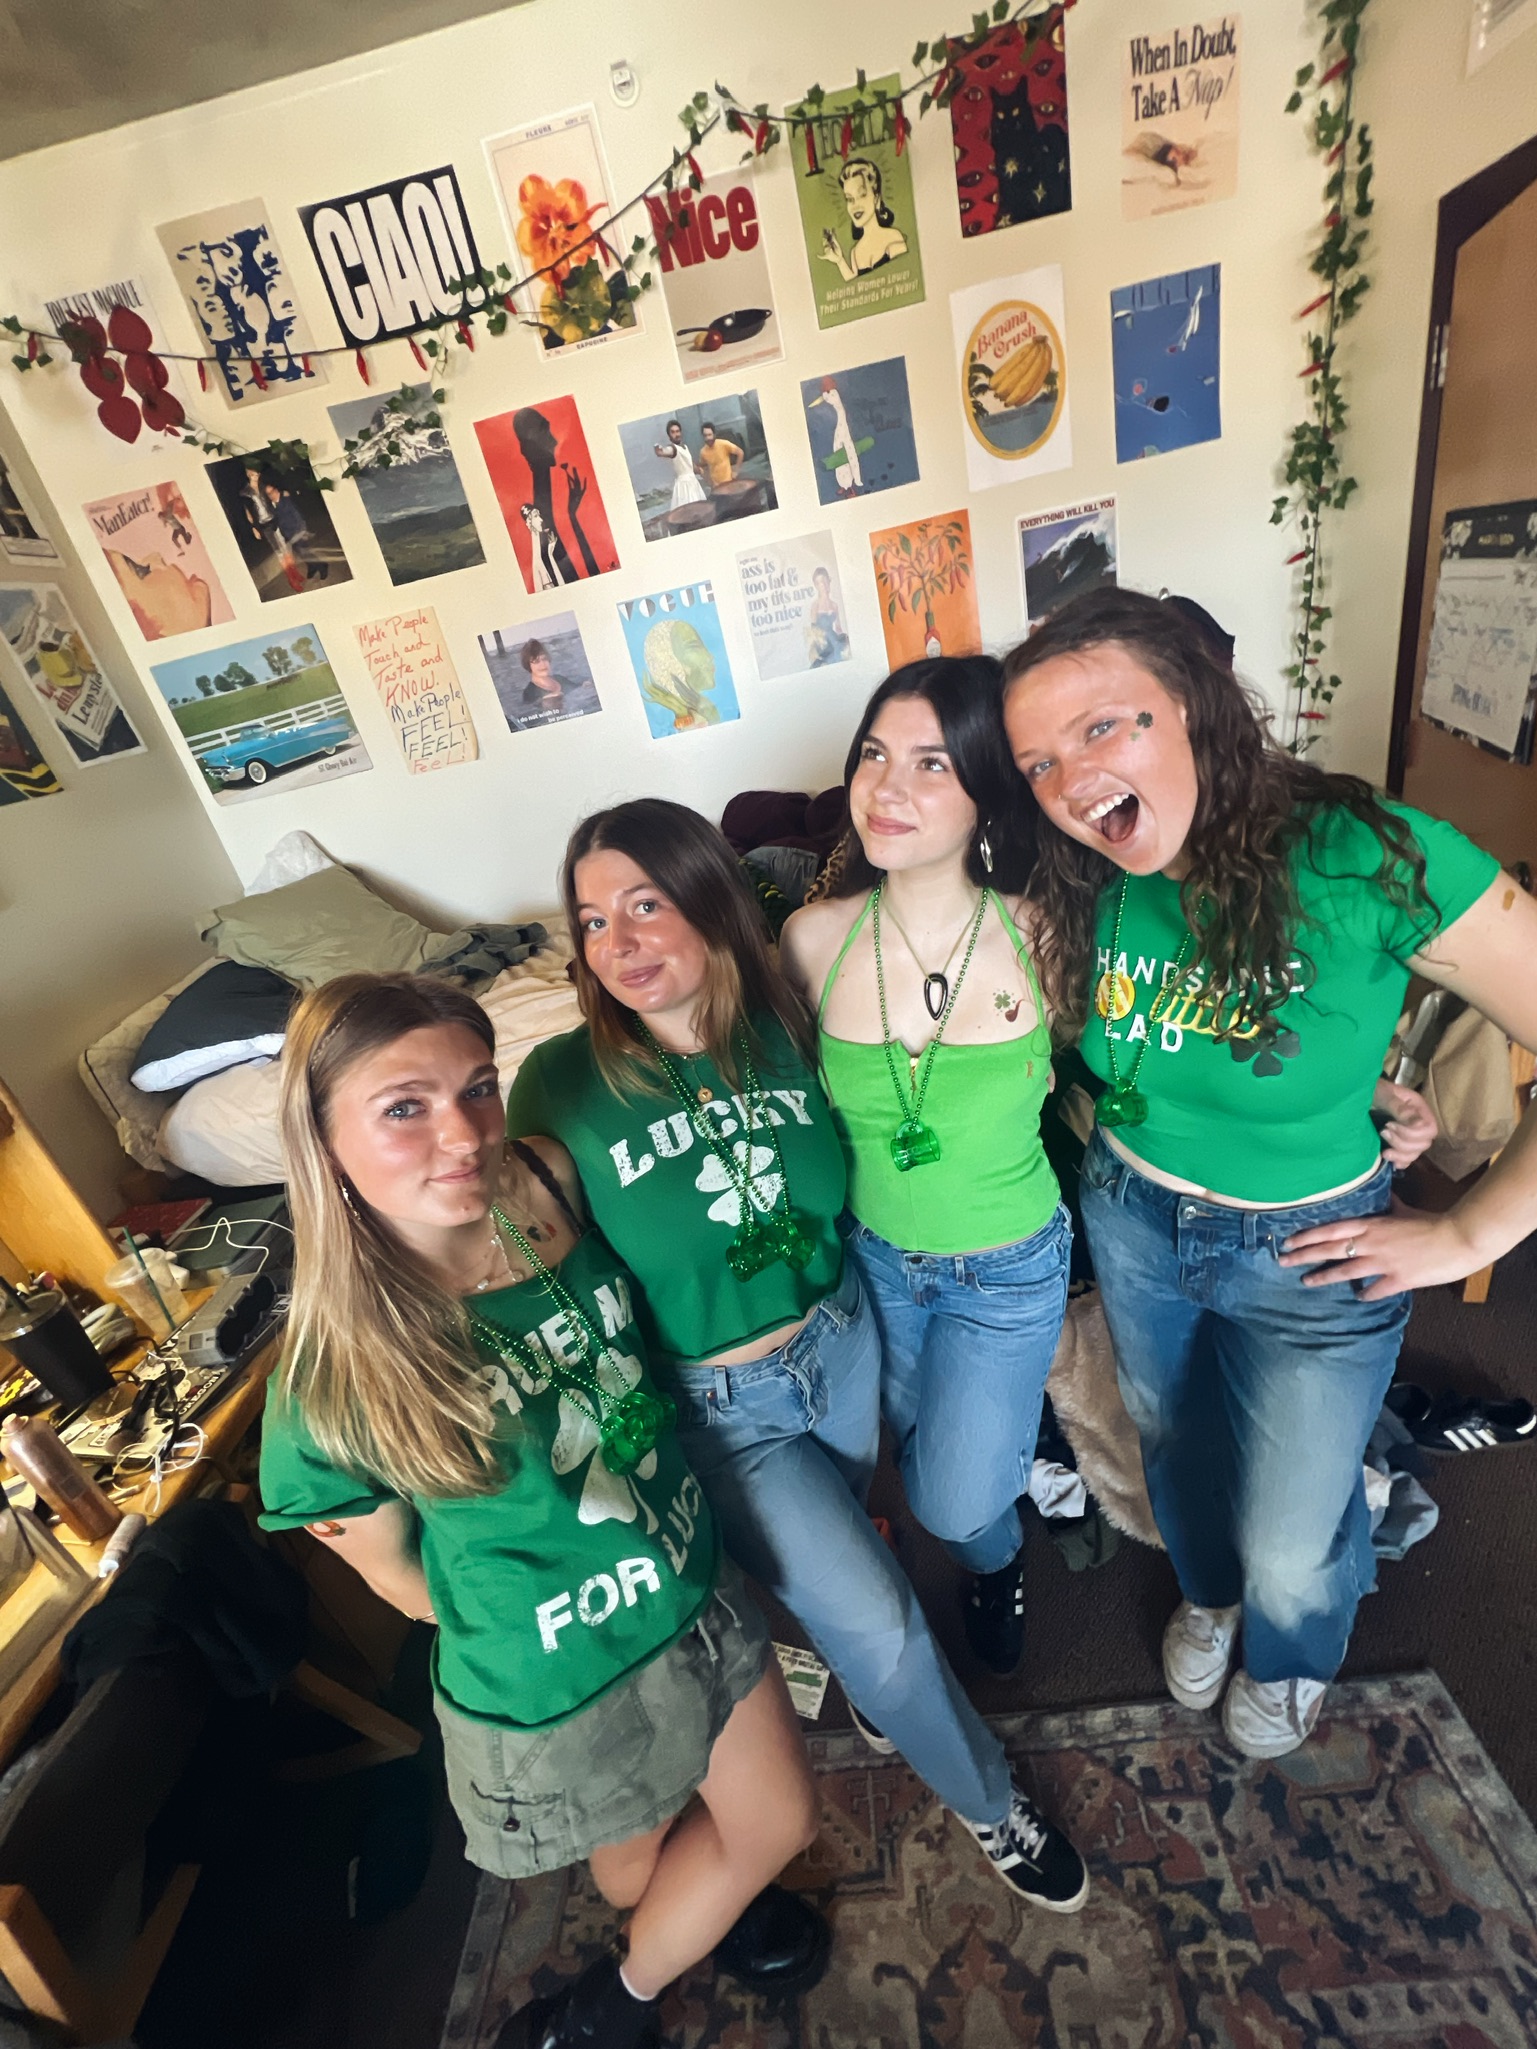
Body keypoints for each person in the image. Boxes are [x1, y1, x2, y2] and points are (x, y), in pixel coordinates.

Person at [507, 799, 1090, 1915]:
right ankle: (991, 1800)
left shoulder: (789, 1018)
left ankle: (880, 1682)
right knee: (883, 1623)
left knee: (871, 1528)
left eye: (646, 904)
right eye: (591, 921)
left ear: (710, 902)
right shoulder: (558, 1084)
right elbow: (510, 1244)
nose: (620, 941)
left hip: (844, 1336)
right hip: (717, 1409)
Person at [1000, 586, 1537, 1758]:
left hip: (1310, 1253)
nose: (1070, 781)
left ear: (1193, 705)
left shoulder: (1364, 856)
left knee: (1295, 1528)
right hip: (1134, 1220)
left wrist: (1467, 1235)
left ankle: (1290, 1657)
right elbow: (1133, 1048)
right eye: (1039, 761)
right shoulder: (1084, 877)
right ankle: (1209, 1594)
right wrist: (1360, 1081)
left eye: (1101, 728)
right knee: (1174, 1449)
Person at [259, 974, 827, 2049]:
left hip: (687, 1582)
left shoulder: (538, 1186)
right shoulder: (331, 1379)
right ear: (324, 1140)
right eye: (404, 1107)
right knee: (632, 1862)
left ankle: (649, 1961)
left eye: (477, 1087)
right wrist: (559, 1598)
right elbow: (402, 1580)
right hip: (565, 1675)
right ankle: (630, 1980)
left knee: (778, 1819)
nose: (464, 1133)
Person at [780, 659, 1071, 1692]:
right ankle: (998, 1457)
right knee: (904, 1452)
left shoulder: (1043, 934)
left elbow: (1142, 1060)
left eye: (931, 764)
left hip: (1007, 1264)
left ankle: (996, 1562)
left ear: (987, 789)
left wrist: (1367, 1094)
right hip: (874, 1264)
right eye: (874, 754)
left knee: (952, 1503)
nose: (886, 787)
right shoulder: (811, 940)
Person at [820, 158, 908, 279]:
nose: (855, 205)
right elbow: (856, 287)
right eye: (849, 199)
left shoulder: (893, 237)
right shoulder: (855, 253)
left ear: (876, 199)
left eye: (862, 195)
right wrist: (839, 260)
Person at [652, 421, 708, 512]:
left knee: (700, 510)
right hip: (684, 486)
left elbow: (690, 465)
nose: (676, 434)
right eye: (673, 432)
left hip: (693, 482)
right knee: (688, 511)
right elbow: (663, 452)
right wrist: (659, 451)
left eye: (677, 431)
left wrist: (700, 471)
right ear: (669, 435)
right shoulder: (673, 448)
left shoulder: (685, 447)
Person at [804, 566, 849, 667]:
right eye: (820, 582)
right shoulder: (815, 605)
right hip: (823, 643)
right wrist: (815, 648)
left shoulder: (834, 605)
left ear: (829, 581)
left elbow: (838, 628)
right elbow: (813, 630)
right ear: (816, 586)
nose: (823, 585)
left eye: (825, 580)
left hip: (834, 640)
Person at [696, 424, 744, 492]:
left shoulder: (723, 444)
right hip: (716, 487)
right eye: (705, 435)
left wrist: (736, 471)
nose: (708, 438)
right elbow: (703, 467)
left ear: (714, 434)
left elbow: (740, 453)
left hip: (729, 483)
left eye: (709, 435)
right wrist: (710, 482)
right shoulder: (703, 452)